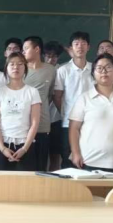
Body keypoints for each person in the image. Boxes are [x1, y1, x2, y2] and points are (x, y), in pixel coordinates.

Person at [69, 53, 113, 174]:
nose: (104, 71)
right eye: (99, 68)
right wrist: (76, 153)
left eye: (108, 67)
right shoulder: (84, 98)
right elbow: (74, 128)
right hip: (89, 160)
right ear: (93, 73)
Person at [0, 52, 41, 171]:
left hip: (25, 144)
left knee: (25, 182)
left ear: (25, 68)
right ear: (6, 68)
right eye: (12, 64)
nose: (16, 67)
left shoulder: (32, 92)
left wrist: (24, 149)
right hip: (2, 144)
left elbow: (34, 123)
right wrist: (2, 148)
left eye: (20, 64)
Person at [53, 32, 93, 169]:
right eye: (76, 44)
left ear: (88, 47)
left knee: (89, 161)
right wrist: (66, 113)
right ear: (71, 48)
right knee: (68, 161)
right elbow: (57, 96)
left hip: (91, 123)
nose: (80, 46)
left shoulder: (95, 69)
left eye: (83, 43)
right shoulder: (63, 70)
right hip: (68, 123)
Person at [23, 36, 56, 171]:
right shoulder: (20, 69)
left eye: (26, 48)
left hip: (42, 125)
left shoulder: (51, 70)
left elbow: (50, 95)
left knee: (40, 167)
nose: (23, 52)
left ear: (37, 49)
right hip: (22, 126)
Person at [43, 40, 65, 171]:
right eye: (48, 56)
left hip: (56, 119)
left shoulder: (61, 71)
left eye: (54, 56)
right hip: (39, 119)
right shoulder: (38, 70)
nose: (51, 59)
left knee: (55, 155)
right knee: (40, 155)